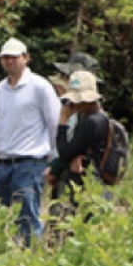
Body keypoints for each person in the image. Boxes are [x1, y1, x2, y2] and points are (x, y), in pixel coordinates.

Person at [0, 38, 62, 245]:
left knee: (28, 215)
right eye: (5, 57)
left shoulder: (40, 86)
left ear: (26, 58)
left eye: (14, 57)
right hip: (4, 162)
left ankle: (30, 259)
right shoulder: (0, 88)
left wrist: (54, 161)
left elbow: (54, 123)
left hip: (30, 161)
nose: (9, 61)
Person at [47, 70, 114, 203]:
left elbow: (65, 153)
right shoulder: (100, 118)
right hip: (95, 184)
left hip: (88, 185)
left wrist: (63, 121)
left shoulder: (91, 122)